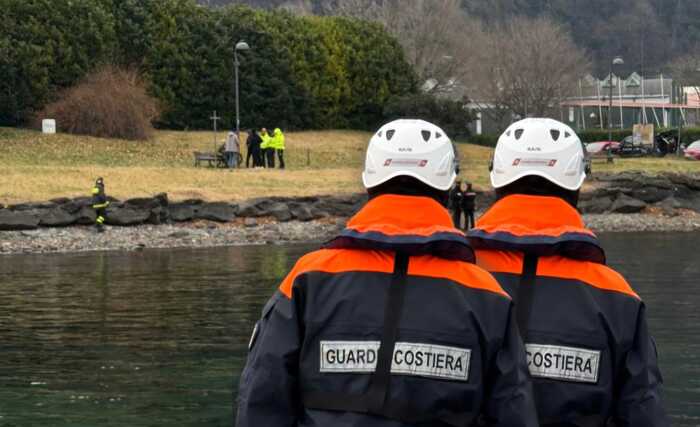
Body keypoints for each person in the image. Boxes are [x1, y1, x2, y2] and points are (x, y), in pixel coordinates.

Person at [236, 119, 538, 427]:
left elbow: (262, 397)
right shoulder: (486, 293)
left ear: (370, 182)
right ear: (447, 187)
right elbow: (512, 410)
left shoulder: (308, 278)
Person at [467, 118, 667, 426]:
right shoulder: (617, 298)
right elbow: (643, 412)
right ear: (577, 183)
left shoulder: (455, 275)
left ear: (497, 178)